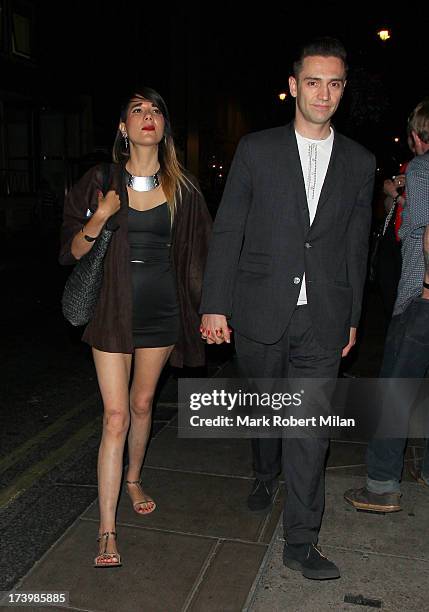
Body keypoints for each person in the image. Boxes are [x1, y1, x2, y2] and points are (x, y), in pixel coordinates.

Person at [200, 37, 375, 580]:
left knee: (308, 431)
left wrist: (352, 317)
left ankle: (301, 541)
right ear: (295, 85)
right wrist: (215, 305)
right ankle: (262, 468)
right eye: (315, 82)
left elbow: (355, 244)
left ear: (343, 89)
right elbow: (228, 229)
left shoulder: (361, 161)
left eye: (336, 83)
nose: (325, 93)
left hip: (322, 319)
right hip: (259, 312)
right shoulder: (257, 149)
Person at [59, 87, 211, 567]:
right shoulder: (99, 180)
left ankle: (134, 476)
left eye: (156, 111)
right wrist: (101, 216)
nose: (148, 117)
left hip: (163, 312)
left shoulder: (183, 190)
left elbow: (204, 257)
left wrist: (215, 310)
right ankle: (106, 529)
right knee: (116, 416)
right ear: (124, 128)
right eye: (137, 110)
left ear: (164, 127)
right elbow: (70, 253)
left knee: (144, 404)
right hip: (112, 313)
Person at [345, 98, 429, 512]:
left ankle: (380, 486)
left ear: (416, 136)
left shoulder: (423, 167)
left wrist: (428, 284)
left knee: (394, 392)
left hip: (422, 299)